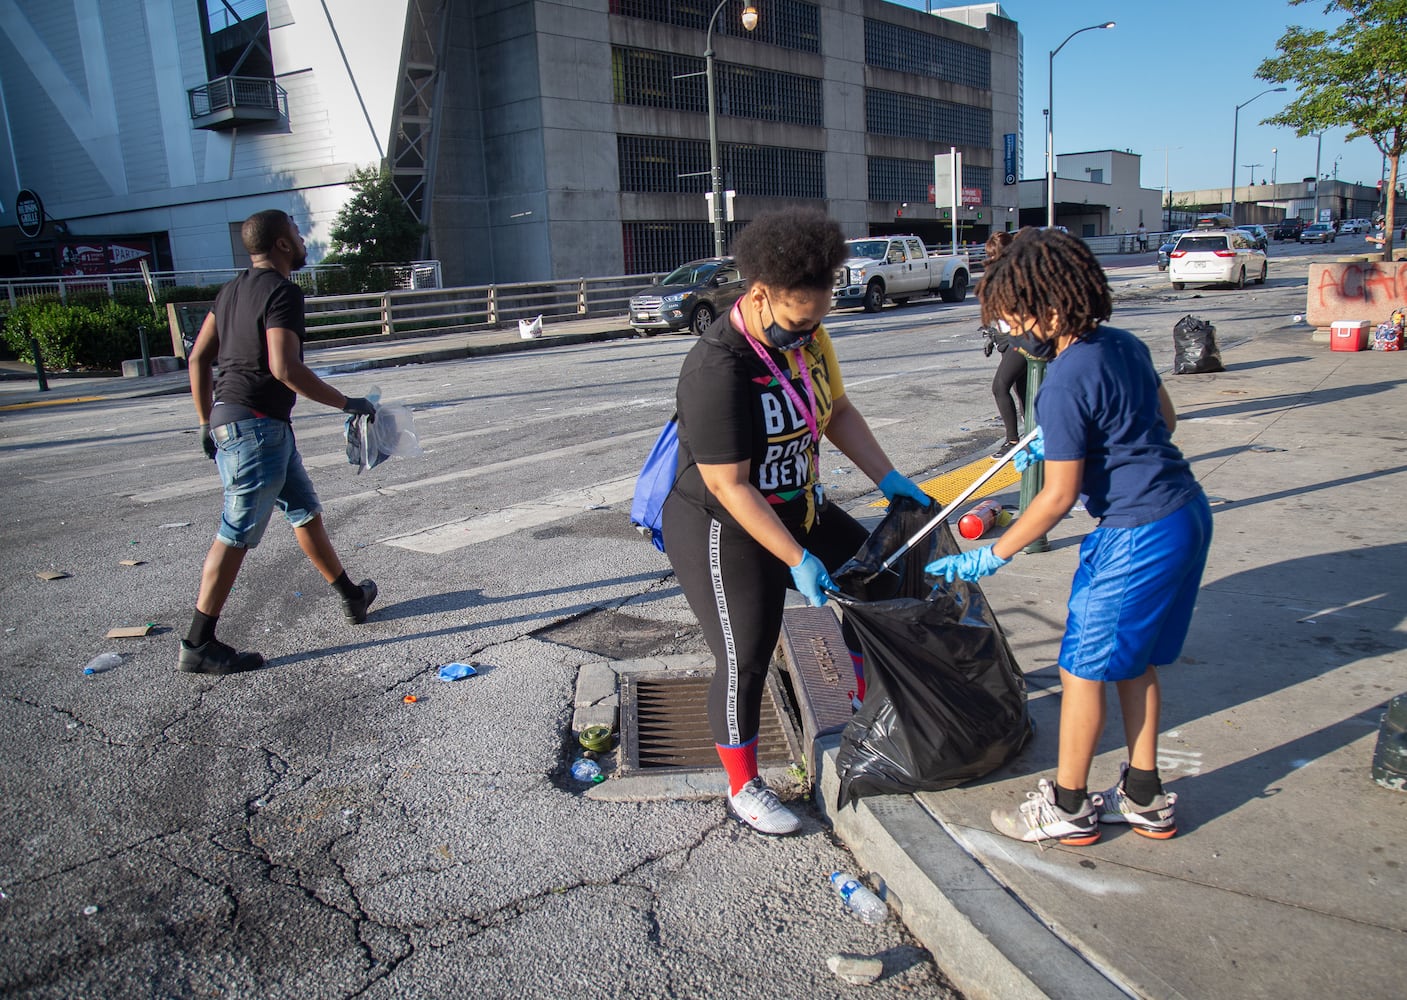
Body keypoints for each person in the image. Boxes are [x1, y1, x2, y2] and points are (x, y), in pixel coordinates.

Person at [927, 229, 1212, 847]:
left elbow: (1056, 497)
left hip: (1135, 535)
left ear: (1051, 309)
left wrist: (991, 554)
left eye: (1015, 315)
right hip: (1186, 512)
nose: (1010, 330)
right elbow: (1165, 418)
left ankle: (1070, 804)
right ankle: (1143, 795)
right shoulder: (1126, 344)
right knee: (1135, 665)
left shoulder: (1061, 380)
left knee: (1081, 670)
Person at [662, 208, 930, 835]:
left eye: (817, 320)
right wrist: (794, 558)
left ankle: (870, 713)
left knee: (879, 582)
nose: (807, 332)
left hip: (796, 502)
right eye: (795, 321)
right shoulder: (716, 369)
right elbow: (730, 485)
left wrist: (886, 478)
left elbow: (835, 412)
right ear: (759, 297)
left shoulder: (808, 337)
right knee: (745, 651)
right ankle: (744, 785)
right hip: (722, 523)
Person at [179, 209, 379, 675]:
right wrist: (347, 402)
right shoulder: (282, 292)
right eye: (296, 229)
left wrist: (207, 420)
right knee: (235, 534)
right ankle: (197, 643)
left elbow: (197, 359)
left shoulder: (229, 291)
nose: (302, 236)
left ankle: (352, 597)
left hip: (250, 424)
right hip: (257, 428)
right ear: (283, 245)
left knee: (304, 511)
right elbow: (284, 368)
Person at [979, 231, 1026, 458]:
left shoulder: (1018, 277)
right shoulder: (999, 276)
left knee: (1001, 385)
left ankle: (1013, 440)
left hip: (1022, 338)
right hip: (1006, 338)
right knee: (1021, 388)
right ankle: (1031, 434)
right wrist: (990, 332)